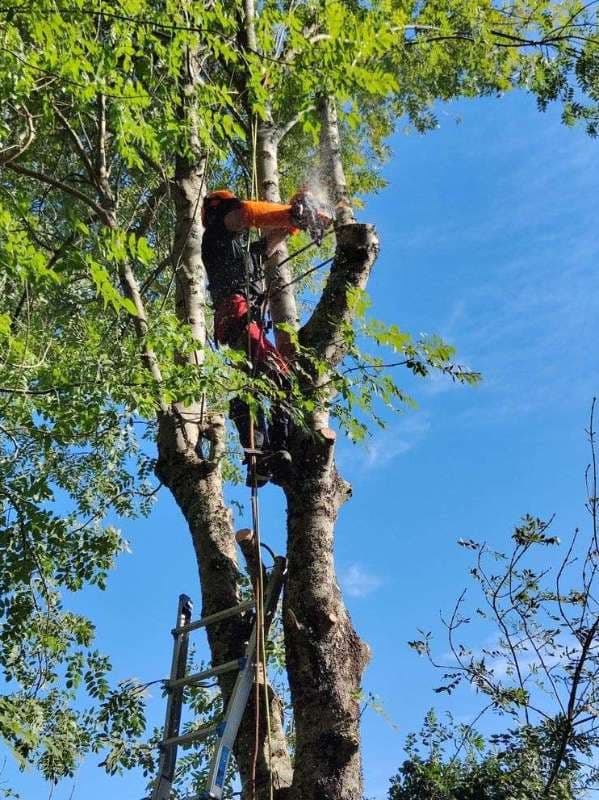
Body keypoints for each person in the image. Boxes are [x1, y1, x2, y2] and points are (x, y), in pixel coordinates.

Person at [201, 188, 331, 486]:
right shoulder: (216, 237)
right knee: (278, 374)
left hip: (243, 319)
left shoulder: (241, 252)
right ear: (219, 212)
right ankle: (275, 449)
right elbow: (244, 213)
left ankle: (263, 454)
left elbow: (272, 241)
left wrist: (297, 222)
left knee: (261, 384)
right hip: (237, 314)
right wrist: (292, 211)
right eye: (229, 210)